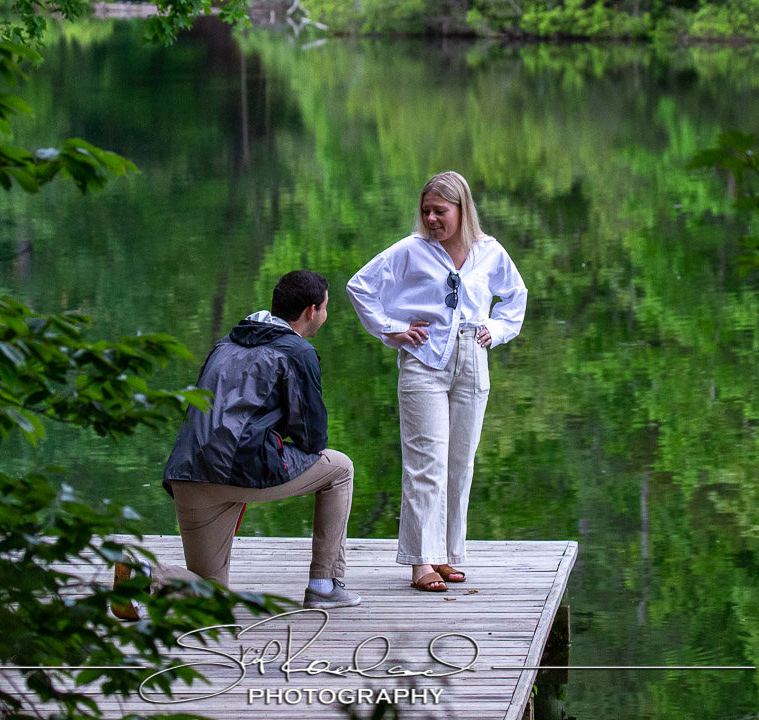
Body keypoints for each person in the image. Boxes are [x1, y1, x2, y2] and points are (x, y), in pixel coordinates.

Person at [112, 270, 360, 620]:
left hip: (188, 473)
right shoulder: (298, 352)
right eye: (325, 308)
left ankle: (146, 575)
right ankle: (324, 585)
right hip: (241, 469)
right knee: (340, 468)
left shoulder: (226, 343)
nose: (325, 315)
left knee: (210, 592)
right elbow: (312, 438)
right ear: (310, 310)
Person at [346, 171, 527, 593]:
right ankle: (420, 561)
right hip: (424, 359)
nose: (430, 218)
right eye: (425, 210)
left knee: (460, 463)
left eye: (439, 211)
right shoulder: (411, 250)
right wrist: (391, 328)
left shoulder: (489, 252)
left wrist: (496, 331)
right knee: (426, 462)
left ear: (462, 211)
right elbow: (361, 287)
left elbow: (515, 297)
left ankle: (446, 554)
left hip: (472, 357)